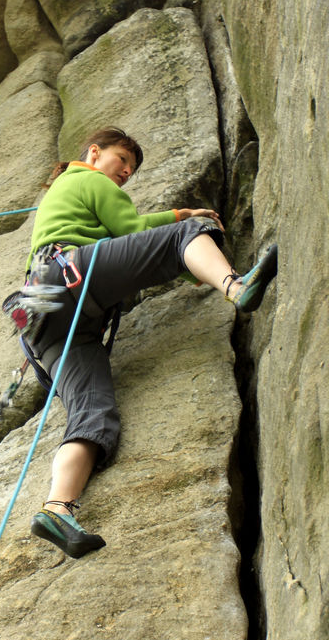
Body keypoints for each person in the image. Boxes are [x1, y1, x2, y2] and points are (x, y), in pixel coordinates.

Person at [25, 126, 278, 559]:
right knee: (189, 232)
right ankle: (235, 287)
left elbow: (145, 255)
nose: (126, 171)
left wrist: (190, 268)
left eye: (132, 167)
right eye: (122, 159)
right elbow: (130, 229)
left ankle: (56, 508)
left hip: (42, 318)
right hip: (69, 275)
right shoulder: (86, 177)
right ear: (93, 152)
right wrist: (182, 219)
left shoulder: (66, 192)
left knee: (94, 417)